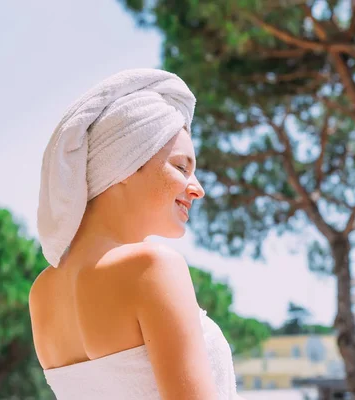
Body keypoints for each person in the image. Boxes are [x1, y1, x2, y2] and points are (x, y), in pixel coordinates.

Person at [28, 69, 241, 399]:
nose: (197, 189)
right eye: (181, 167)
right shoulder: (151, 267)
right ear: (124, 164)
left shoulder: (42, 293)